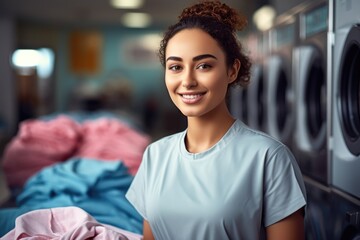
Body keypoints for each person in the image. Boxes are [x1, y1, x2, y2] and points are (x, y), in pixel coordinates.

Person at [126, 1, 307, 239]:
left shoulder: (268, 157)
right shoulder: (155, 155)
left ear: (232, 70)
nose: (187, 81)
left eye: (203, 65)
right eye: (176, 67)